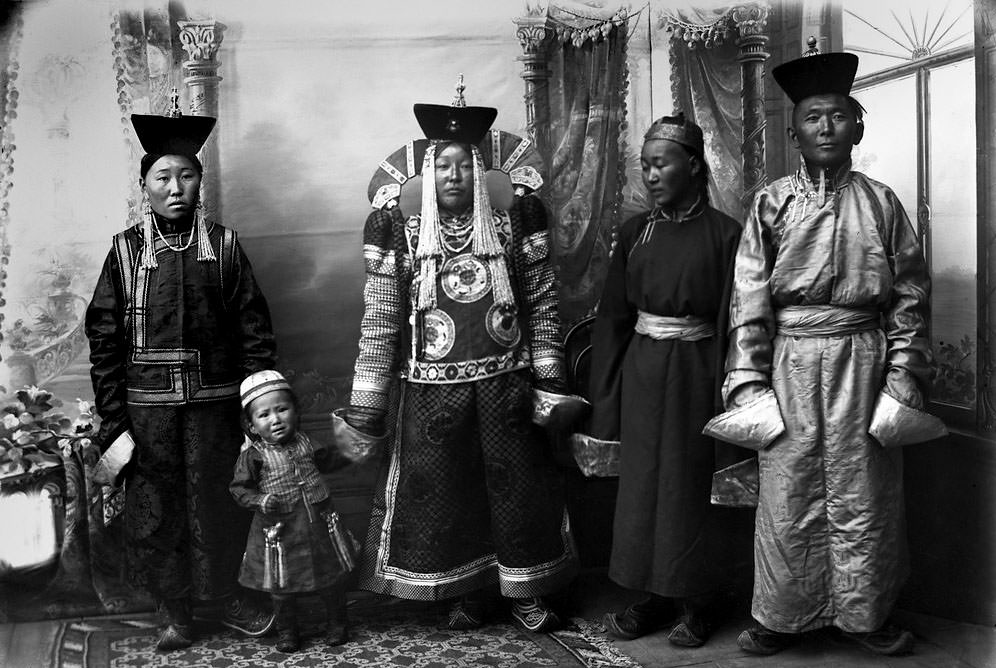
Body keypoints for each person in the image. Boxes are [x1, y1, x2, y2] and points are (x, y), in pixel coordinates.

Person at [339, 84, 579, 633]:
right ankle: (463, 591)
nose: (454, 176)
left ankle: (525, 590)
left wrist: (550, 383)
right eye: (442, 165)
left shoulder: (520, 219)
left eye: (465, 165)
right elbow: (379, 320)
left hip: (507, 388)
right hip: (430, 393)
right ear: (426, 174)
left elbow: (542, 305)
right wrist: (366, 406)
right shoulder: (397, 229)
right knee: (447, 495)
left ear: (481, 171)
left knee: (518, 492)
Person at [722, 51, 932, 656]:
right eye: (813, 118)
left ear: (857, 126)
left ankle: (869, 616)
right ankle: (779, 616)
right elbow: (749, 296)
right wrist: (748, 379)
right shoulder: (771, 202)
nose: (825, 127)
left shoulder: (883, 203)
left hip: (863, 362)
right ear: (794, 131)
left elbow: (911, 293)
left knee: (866, 492)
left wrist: (902, 376)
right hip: (790, 361)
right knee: (787, 490)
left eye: (838, 116)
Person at [85, 92, 277, 652]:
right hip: (148, 414)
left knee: (222, 502)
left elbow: (254, 330)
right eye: (163, 178)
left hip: (217, 407)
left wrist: (256, 407)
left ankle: (226, 597)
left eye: (187, 177)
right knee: (158, 513)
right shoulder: (123, 253)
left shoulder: (224, 246)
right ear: (144, 187)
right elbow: (104, 338)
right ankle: (174, 610)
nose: (176, 188)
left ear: (200, 183)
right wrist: (114, 420)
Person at [576, 113, 748, 648]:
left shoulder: (726, 234)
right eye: (644, 166)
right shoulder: (635, 232)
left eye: (661, 164)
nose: (650, 176)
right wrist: (607, 391)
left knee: (688, 486)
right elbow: (613, 319)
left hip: (700, 371)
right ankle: (651, 595)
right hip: (644, 373)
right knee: (645, 486)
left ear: (692, 166)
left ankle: (698, 601)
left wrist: (732, 385)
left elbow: (734, 318)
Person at [230, 370, 354, 653]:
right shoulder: (253, 457)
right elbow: (239, 491)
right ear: (251, 425)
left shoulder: (308, 443)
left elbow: (330, 461)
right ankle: (288, 631)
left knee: (330, 578)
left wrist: (353, 449)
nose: (275, 419)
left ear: (295, 412)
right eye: (264, 415)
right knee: (281, 588)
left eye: (282, 409)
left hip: (317, 526)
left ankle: (337, 622)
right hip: (279, 535)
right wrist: (260, 500)